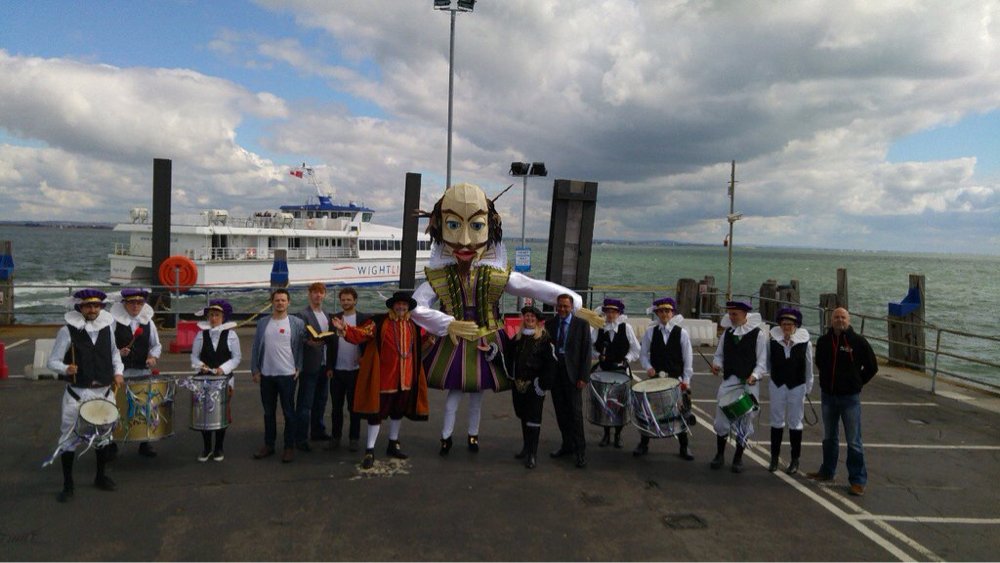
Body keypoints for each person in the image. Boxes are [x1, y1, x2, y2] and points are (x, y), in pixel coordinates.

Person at [412, 182, 601, 457]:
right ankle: (446, 436)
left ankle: (473, 436)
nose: (465, 240)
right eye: (453, 225)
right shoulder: (440, 276)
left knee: (476, 396)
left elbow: (531, 286)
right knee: (453, 395)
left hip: (486, 339)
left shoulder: (494, 276)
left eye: (476, 226)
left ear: (489, 227)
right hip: (454, 340)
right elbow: (417, 306)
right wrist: (446, 323)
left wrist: (573, 303)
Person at [332, 291, 429, 470]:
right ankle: (370, 449)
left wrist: (438, 334)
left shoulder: (413, 325)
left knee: (398, 411)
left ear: (408, 307)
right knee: (376, 415)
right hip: (384, 379)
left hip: (405, 378)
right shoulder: (380, 322)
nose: (401, 307)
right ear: (393, 306)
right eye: (398, 304)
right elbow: (361, 333)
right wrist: (345, 329)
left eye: (404, 305)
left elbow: (423, 342)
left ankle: (393, 443)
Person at [46, 289, 125, 502]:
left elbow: (115, 354)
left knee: (103, 435)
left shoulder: (108, 328)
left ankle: (100, 476)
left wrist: (118, 372)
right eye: (88, 306)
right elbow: (51, 362)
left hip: (104, 391)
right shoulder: (67, 331)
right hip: (77, 392)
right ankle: (68, 484)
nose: (93, 309)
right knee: (69, 437)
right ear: (80, 307)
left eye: (97, 306)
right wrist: (65, 369)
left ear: (101, 307)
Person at [808, 307, 878, 497]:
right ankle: (827, 471)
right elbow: (820, 363)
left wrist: (857, 382)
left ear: (849, 320)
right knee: (829, 437)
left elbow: (872, 366)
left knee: (854, 440)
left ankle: (857, 480)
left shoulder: (858, 342)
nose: (840, 320)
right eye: (836, 317)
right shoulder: (823, 341)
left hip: (850, 398)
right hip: (828, 396)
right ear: (831, 320)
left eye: (843, 317)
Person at [710, 299, 768, 473]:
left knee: (744, 421)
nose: (731, 317)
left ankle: (738, 458)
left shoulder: (758, 335)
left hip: (748, 384)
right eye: (730, 313)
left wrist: (755, 375)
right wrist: (716, 364)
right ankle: (719, 454)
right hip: (728, 382)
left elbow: (762, 361)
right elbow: (719, 355)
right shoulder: (727, 333)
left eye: (735, 314)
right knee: (721, 420)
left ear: (744, 314)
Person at [635, 296, 695, 460]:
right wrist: (648, 368)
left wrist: (686, 380)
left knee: (679, 412)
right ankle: (644, 443)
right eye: (661, 311)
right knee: (649, 411)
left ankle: (684, 446)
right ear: (657, 313)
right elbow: (643, 354)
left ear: (672, 312)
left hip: (676, 379)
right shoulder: (650, 332)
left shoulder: (681, 333)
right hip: (656, 379)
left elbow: (687, 358)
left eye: (667, 311)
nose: (664, 314)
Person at [250, 289, 306, 463]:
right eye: (277, 300)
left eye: (283, 300)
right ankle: (269, 444)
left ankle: (289, 446)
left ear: (288, 303)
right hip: (267, 375)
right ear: (272, 302)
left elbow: (301, 347)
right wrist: (255, 369)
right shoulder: (263, 323)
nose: (280, 303)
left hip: (288, 375)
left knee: (289, 413)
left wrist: (299, 367)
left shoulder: (297, 323)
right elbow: (255, 347)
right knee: (268, 413)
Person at [110, 288, 162, 458]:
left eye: (139, 303)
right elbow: (108, 348)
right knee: (117, 406)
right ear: (124, 303)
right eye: (132, 302)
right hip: (120, 371)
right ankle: (112, 442)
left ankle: (144, 442)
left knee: (144, 405)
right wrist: (119, 351)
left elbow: (156, 345)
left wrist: (153, 356)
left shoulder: (148, 323)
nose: (136, 306)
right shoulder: (114, 322)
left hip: (141, 369)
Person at [545, 294, 595, 468]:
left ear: (571, 307)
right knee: (561, 412)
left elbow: (586, 353)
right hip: (556, 375)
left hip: (573, 375)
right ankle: (566, 445)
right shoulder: (550, 324)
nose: (562, 309)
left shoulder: (581, 325)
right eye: (559, 306)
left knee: (575, 414)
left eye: (565, 306)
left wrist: (583, 376)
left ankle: (580, 450)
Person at [504, 306, 556, 469]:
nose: (529, 319)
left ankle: (532, 454)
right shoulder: (518, 339)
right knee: (524, 417)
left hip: (535, 387)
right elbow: (506, 355)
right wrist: (492, 351)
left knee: (533, 420)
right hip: (518, 385)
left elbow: (551, 365)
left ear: (537, 320)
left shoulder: (545, 339)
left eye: (532, 317)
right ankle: (526, 448)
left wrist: (542, 384)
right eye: (527, 316)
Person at [190, 299, 241, 462]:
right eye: (211, 315)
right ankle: (206, 448)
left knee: (220, 413)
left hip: (224, 380)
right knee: (205, 414)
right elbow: (194, 356)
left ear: (223, 317)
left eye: (217, 315)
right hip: (204, 380)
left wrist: (222, 369)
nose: (213, 318)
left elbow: (236, 358)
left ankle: (219, 447)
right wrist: (201, 365)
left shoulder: (231, 334)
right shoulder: (201, 334)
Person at [767, 307, 814, 474]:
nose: (786, 326)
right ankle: (774, 458)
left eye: (790, 324)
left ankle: (795, 460)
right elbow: (767, 364)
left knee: (795, 422)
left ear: (796, 325)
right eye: (783, 323)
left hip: (797, 386)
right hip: (778, 384)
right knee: (776, 421)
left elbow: (809, 368)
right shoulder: (772, 342)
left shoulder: (805, 344)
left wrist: (807, 388)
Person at [324, 287, 370, 452]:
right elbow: (330, 344)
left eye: (349, 300)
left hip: (355, 370)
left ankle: (354, 438)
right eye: (343, 299)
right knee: (336, 408)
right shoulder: (334, 318)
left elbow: (369, 341)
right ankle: (335, 438)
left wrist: (364, 358)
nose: (345, 302)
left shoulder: (363, 318)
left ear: (355, 301)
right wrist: (329, 366)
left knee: (354, 407)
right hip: (337, 370)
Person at [591, 297, 640, 449]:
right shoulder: (599, 327)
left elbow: (635, 349)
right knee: (605, 403)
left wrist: (627, 359)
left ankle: (618, 435)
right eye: (608, 312)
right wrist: (597, 355)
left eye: (614, 312)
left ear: (619, 313)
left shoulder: (626, 328)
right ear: (604, 313)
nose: (611, 315)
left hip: (620, 372)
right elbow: (590, 347)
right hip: (604, 371)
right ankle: (606, 434)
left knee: (620, 404)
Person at [294, 282, 333, 451]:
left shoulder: (327, 314)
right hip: (310, 364)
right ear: (309, 294)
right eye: (315, 293)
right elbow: (297, 337)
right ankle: (300, 437)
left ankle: (318, 430)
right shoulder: (302, 315)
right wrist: (308, 342)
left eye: (321, 293)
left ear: (324, 295)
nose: (318, 296)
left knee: (321, 400)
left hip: (324, 364)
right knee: (305, 403)